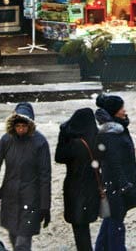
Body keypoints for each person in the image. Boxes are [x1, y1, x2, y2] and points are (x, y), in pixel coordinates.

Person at [0, 102, 52, 251]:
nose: (20, 129)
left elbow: (45, 176)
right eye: (18, 126)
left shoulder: (40, 143)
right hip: (10, 198)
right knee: (14, 238)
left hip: (31, 199)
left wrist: (45, 206)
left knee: (22, 244)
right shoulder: (7, 140)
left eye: (24, 126)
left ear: (30, 125)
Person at [94, 94, 136, 251]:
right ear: (115, 111)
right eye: (122, 108)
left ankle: (101, 247)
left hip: (119, 181)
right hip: (117, 183)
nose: (125, 111)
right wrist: (124, 184)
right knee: (116, 220)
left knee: (113, 218)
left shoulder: (118, 128)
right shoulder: (112, 133)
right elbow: (113, 162)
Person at [54, 107, 102, 251]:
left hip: (75, 190)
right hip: (93, 188)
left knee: (80, 230)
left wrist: (63, 135)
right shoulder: (97, 138)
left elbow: (59, 157)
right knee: (84, 227)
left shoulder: (75, 144)